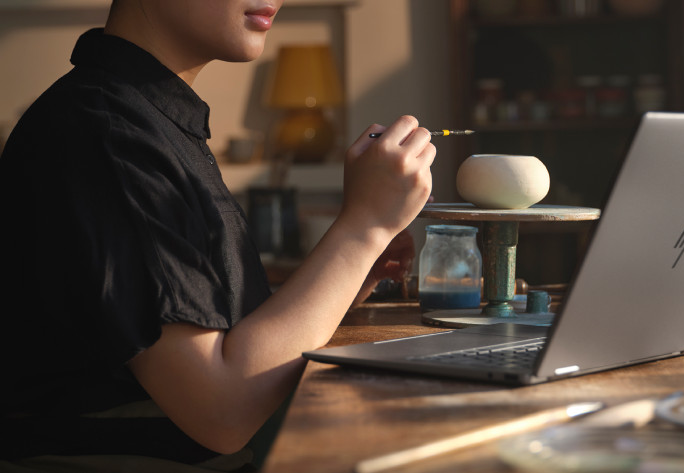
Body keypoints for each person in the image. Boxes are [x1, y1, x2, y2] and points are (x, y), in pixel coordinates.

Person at [0, 0, 435, 470]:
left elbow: (224, 339)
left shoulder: (147, 119)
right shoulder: (106, 134)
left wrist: (348, 272)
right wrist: (362, 228)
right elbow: (222, 412)